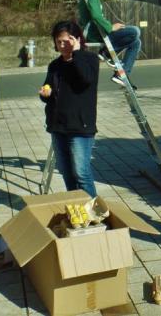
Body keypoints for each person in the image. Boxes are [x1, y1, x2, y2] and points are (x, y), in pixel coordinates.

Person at [39, 21, 100, 197]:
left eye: (67, 41)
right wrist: (44, 94)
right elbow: (48, 90)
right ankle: (78, 210)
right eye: (59, 42)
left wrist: (77, 52)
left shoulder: (89, 59)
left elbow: (86, 79)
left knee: (81, 174)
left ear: (77, 39)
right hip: (58, 127)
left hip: (80, 127)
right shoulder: (55, 65)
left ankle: (93, 211)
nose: (63, 45)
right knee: (67, 174)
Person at [78, 0, 142, 88]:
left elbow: (96, 16)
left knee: (136, 43)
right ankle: (106, 53)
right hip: (96, 34)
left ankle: (121, 73)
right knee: (135, 31)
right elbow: (96, 16)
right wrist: (111, 27)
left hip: (98, 32)